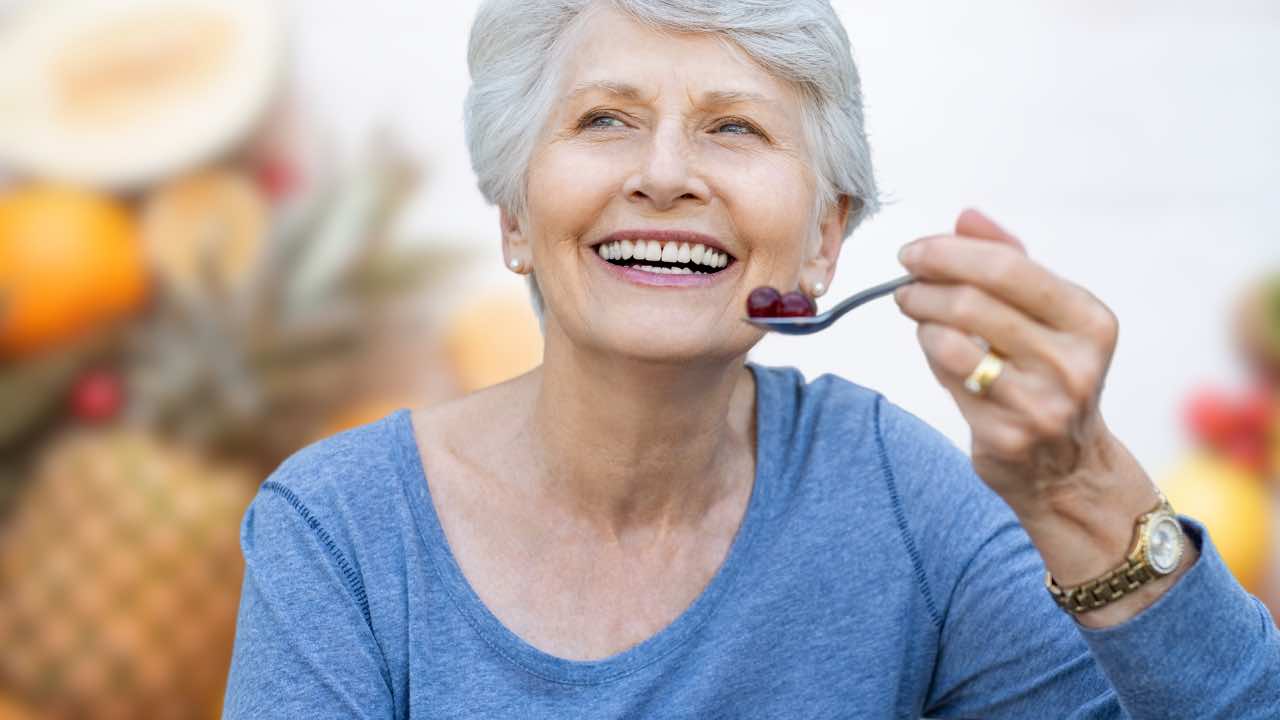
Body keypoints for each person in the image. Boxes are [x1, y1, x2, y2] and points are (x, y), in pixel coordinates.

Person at [221, 1, 1280, 717]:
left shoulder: (898, 503)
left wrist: (1081, 489)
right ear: (511, 213)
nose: (666, 173)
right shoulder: (340, 532)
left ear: (822, 239)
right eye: (604, 119)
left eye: (733, 127)